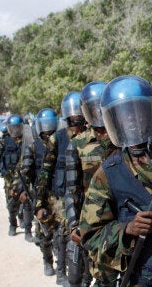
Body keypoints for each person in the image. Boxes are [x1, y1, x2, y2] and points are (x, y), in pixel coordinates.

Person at [79, 75, 152, 286]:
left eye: (137, 115)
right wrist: (127, 229)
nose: (132, 123)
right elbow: (89, 236)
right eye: (124, 117)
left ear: (150, 114)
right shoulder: (107, 174)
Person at [65, 81, 119, 287]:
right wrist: (73, 225)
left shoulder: (123, 137)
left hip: (122, 220)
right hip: (92, 222)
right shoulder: (78, 144)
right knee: (87, 275)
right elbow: (72, 190)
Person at [35, 92, 87, 286]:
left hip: (85, 196)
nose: (76, 127)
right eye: (73, 122)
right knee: (63, 235)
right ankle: (61, 272)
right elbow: (45, 172)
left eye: (80, 122)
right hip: (60, 197)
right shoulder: (57, 139)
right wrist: (39, 203)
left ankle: (82, 276)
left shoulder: (91, 138)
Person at [12, 108, 59, 276]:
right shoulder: (33, 147)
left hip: (59, 194)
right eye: (45, 126)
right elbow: (24, 172)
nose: (48, 130)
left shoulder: (61, 142)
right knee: (44, 234)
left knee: (61, 234)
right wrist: (20, 191)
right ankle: (47, 262)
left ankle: (62, 269)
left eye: (51, 125)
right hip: (41, 196)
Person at [0, 114, 26, 237]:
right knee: (11, 203)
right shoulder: (4, 140)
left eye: (17, 127)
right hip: (9, 178)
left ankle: (25, 223)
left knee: (25, 201)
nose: (15, 130)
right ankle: (13, 224)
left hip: (24, 176)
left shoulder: (27, 140)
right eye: (13, 127)